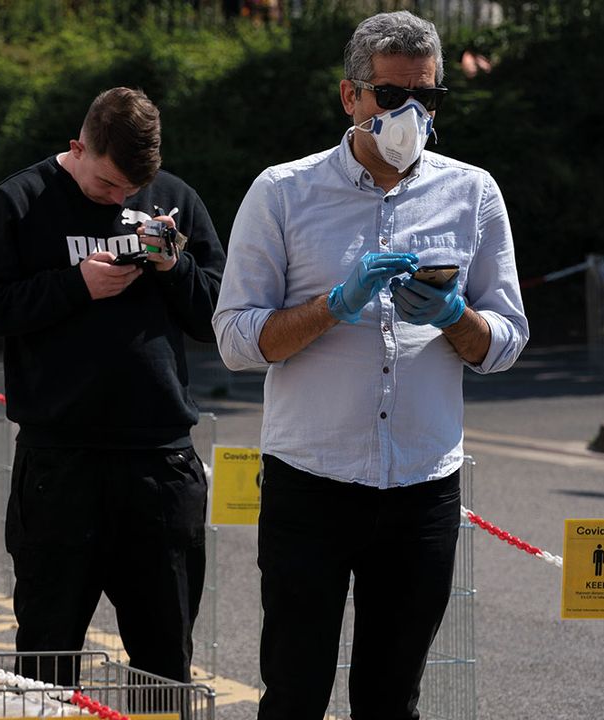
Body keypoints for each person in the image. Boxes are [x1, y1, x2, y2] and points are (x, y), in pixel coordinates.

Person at [211, 11, 528, 719]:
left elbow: (505, 340)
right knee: (295, 692)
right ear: (350, 97)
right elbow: (234, 339)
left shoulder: (472, 193)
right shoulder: (282, 192)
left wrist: (453, 317)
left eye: (428, 96)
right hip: (312, 482)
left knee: (392, 697)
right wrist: (334, 304)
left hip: (421, 485)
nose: (410, 112)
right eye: (390, 95)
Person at [0, 87, 225, 686]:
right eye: (106, 186)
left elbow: (219, 319)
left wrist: (172, 266)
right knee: (48, 665)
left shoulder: (173, 199)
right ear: (78, 147)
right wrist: (74, 286)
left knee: (163, 665)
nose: (120, 199)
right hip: (60, 462)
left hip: (158, 463)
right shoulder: (20, 200)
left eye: (132, 191)